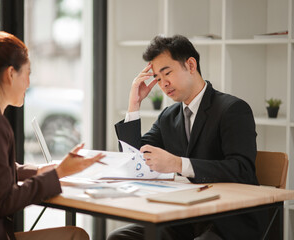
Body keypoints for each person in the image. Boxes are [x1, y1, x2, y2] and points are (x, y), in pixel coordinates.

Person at [0, 31, 104, 240]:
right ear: (10, 74)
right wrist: (57, 174)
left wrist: (40, 170)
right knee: (76, 237)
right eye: (27, 73)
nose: (29, 83)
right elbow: (3, 201)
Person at [110, 35, 265, 239]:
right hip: (182, 218)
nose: (163, 84)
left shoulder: (232, 109)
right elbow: (135, 160)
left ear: (191, 65)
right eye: (157, 78)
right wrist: (134, 105)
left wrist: (178, 164)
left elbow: (242, 169)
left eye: (167, 73)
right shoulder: (169, 116)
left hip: (225, 221)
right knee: (120, 237)